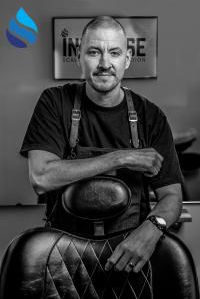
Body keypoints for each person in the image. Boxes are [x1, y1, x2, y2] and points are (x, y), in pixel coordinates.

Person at [20, 16, 183, 276]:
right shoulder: (55, 103)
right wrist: (120, 158)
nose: (105, 64)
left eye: (115, 53)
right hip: (63, 254)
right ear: (79, 57)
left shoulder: (150, 116)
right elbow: (41, 176)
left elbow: (172, 196)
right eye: (94, 52)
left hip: (129, 254)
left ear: (127, 59)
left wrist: (152, 229)